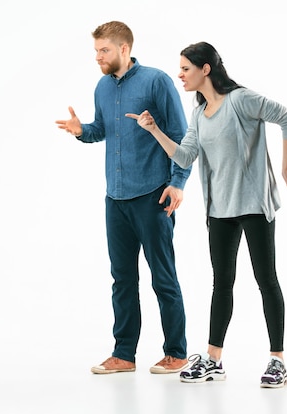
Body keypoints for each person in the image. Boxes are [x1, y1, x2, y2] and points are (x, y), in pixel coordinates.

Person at [125, 41, 287, 388]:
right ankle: (214, 360)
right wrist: (154, 130)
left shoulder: (241, 100)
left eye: (186, 68)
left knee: (266, 280)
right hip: (219, 210)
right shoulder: (198, 113)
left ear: (206, 69)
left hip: (254, 205)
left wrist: (286, 168)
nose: (180, 74)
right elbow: (184, 157)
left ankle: (277, 361)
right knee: (221, 284)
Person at [55, 21, 192, 375]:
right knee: (122, 280)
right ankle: (124, 354)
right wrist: (81, 130)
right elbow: (102, 130)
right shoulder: (102, 86)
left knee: (163, 277)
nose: (98, 57)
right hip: (115, 199)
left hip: (153, 195)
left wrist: (177, 183)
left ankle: (176, 352)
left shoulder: (156, 81)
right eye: (96, 50)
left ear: (124, 49)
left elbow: (182, 138)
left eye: (104, 50)